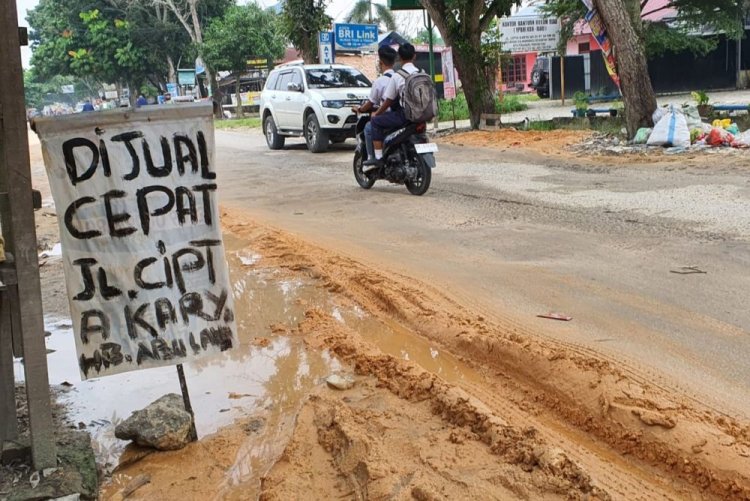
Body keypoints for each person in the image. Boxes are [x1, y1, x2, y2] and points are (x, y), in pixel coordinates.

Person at [366, 43, 420, 169]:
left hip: (404, 116)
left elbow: (388, 101)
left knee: (374, 122)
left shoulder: (397, 76)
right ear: (414, 57)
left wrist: (377, 114)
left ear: (400, 58)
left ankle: (378, 158)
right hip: (421, 116)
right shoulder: (421, 73)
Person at [351, 46, 397, 166]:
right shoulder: (400, 77)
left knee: (368, 127)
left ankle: (374, 158)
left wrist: (360, 109)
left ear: (381, 62)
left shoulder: (379, 81)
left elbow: (371, 103)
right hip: (401, 116)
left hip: (387, 117)